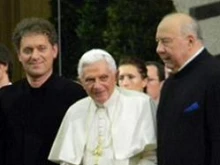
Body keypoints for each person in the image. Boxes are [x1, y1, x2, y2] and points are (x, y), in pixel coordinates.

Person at [0, 17, 87, 165]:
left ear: (54, 51)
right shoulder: (4, 97)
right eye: (28, 50)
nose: (35, 56)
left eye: (41, 48)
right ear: (19, 55)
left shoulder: (75, 95)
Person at [48, 49, 157, 165]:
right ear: (81, 82)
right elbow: (68, 161)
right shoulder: (75, 111)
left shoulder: (140, 104)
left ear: (115, 77)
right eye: (90, 80)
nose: (97, 85)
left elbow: (151, 156)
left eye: (103, 78)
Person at [156, 12, 220, 165]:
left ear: (190, 41)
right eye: (157, 42)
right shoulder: (169, 84)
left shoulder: (215, 77)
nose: (159, 49)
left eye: (166, 41)